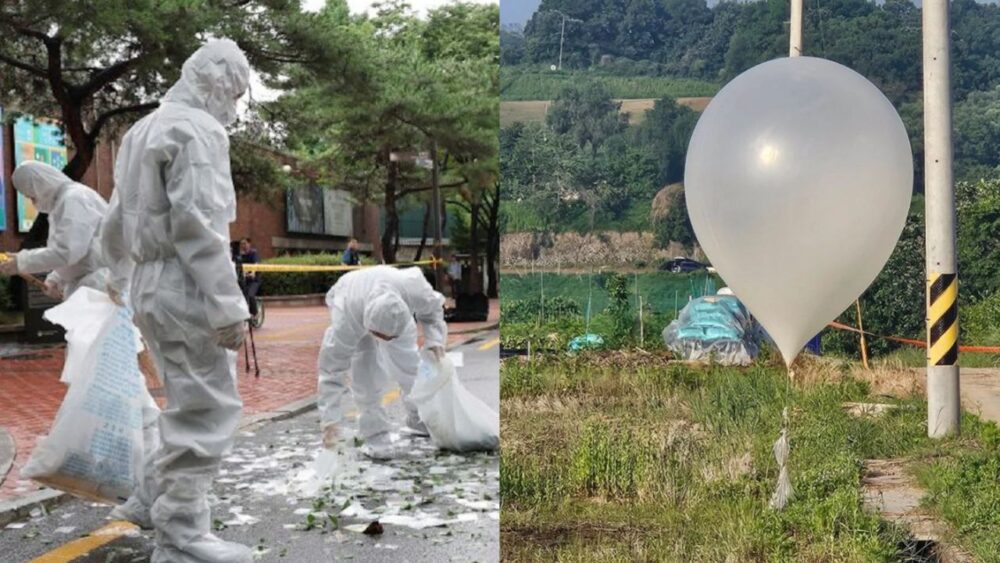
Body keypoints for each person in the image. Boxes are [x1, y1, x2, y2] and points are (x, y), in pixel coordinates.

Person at [100, 39, 252, 563]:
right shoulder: (197, 130)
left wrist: (119, 275)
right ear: (214, 81)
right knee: (206, 409)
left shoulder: (141, 129)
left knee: (183, 403)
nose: (233, 105)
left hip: (149, 281)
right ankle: (181, 535)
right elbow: (200, 225)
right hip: (183, 284)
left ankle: (153, 501)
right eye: (233, 91)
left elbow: (116, 217)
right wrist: (229, 306)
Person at [317, 266, 447, 455]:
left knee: (409, 366)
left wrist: (434, 340)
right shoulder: (346, 319)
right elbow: (331, 371)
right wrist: (330, 422)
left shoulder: (413, 288)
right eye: (381, 336)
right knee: (365, 374)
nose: (385, 342)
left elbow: (433, 309)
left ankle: (418, 417)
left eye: (389, 338)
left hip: (391, 308)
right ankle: (376, 433)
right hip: (353, 301)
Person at [0, 161, 108, 301]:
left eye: (30, 195)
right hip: (90, 287)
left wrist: (22, 261)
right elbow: (74, 252)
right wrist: (56, 279)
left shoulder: (74, 199)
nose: (30, 200)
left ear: (39, 185)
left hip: (98, 288)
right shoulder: (64, 202)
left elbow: (67, 252)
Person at [238, 238, 261, 315]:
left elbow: (256, 264)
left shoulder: (253, 253)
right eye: (242, 244)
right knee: (241, 297)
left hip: (254, 280)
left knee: (251, 295)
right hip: (244, 280)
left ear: (249, 244)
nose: (243, 246)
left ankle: (255, 314)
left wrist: (253, 272)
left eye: (245, 243)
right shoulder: (241, 256)